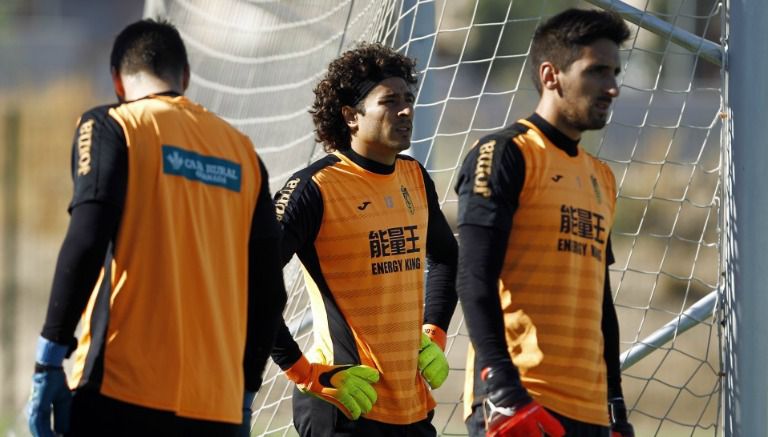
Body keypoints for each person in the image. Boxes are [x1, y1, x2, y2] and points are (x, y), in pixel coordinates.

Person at [25, 19, 287, 437]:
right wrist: (243, 396)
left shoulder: (112, 125)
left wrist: (49, 354)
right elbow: (270, 292)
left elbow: (88, 238)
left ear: (116, 79)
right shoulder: (242, 152)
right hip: (214, 408)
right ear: (184, 76)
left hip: (122, 391)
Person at [455, 8, 635, 437]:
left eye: (615, 72)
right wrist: (501, 387)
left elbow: (601, 303)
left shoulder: (601, 177)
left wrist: (615, 406)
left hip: (589, 410)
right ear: (551, 74)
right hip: (522, 397)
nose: (612, 87)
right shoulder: (505, 154)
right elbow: (474, 276)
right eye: (596, 72)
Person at [269, 42, 458, 436]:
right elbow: (246, 280)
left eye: (409, 99)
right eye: (389, 101)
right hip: (342, 406)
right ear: (351, 116)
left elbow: (447, 258)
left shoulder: (415, 177)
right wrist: (304, 373)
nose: (406, 110)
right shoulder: (313, 188)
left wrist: (434, 332)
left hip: (410, 407)